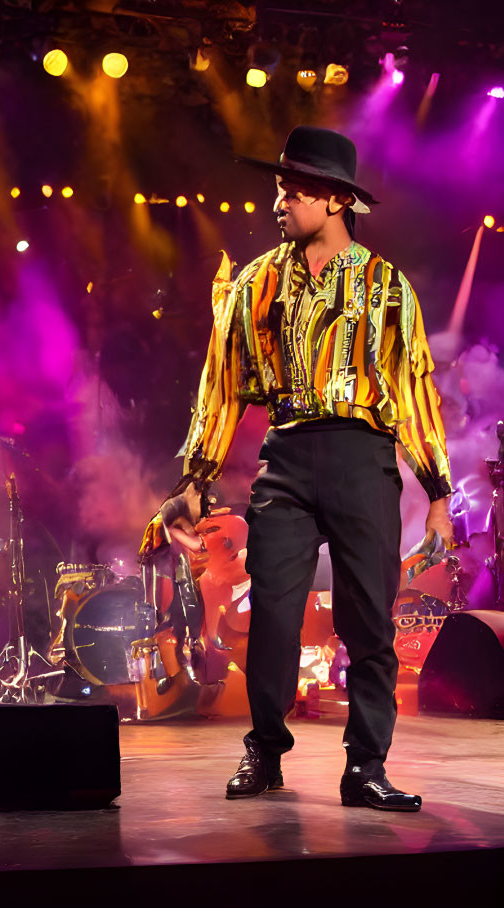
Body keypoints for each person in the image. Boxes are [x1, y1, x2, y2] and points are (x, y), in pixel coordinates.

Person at [139, 127, 453, 811]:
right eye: (279, 187)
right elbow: (218, 386)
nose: (277, 201)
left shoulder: (386, 287)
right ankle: (264, 751)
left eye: (293, 189)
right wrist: (192, 479)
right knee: (271, 616)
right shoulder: (255, 281)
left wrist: (435, 492)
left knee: (368, 621)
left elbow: (414, 389)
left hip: (360, 458)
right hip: (284, 458)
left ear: (336, 199)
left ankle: (364, 769)